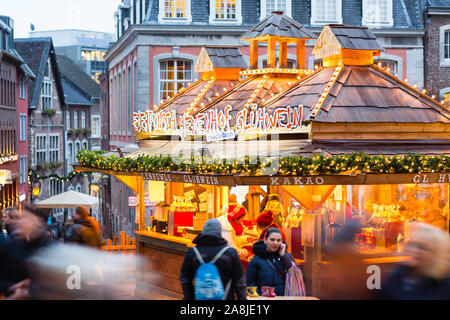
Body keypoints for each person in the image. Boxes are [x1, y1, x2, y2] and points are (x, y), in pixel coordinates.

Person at [375, 221, 450, 300]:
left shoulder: (444, 287)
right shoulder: (391, 279)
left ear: (435, 254)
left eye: (422, 247)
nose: (414, 250)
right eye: (411, 244)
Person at [179, 219, 247, 300]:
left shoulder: (193, 252)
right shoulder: (230, 252)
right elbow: (239, 280)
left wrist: (189, 296)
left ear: (203, 231)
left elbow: (185, 278)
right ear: (219, 232)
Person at [246, 228, 296, 296]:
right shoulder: (256, 259)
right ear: (265, 240)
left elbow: (294, 274)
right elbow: (249, 281)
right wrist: (259, 295)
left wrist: (283, 256)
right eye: (272, 240)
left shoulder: (287, 256)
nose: (275, 243)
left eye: (278, 240)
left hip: (284, 297)